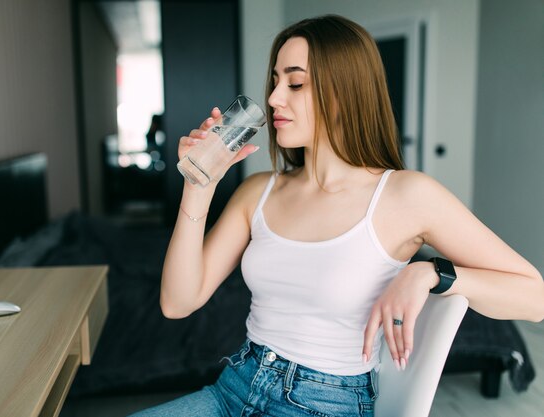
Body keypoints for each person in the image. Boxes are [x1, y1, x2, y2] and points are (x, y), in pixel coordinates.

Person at [130, 14, 543, 417]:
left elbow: (534, 296)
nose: (273, 98)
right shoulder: (258, 191)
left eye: (295, 83)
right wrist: (198, 187)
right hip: (234, 386)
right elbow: (178, 303)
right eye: (275, 81)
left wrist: (432, 273)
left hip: (324, 403)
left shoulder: (407, 195)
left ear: (345, 92)